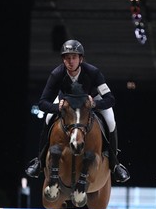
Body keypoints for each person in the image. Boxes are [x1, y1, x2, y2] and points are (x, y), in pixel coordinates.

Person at [25, 39, 130, 183]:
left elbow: (110, 99)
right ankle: (39, 161)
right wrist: (57, 107)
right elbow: (42, 102)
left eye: (74, 57)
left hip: (91, 101)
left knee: (111, 121)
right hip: (66, 103)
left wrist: (95, 103)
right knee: (48, 118)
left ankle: (115, 164)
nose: (70, 61)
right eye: (67, 58)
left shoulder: (93, 72)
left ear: (81, 59)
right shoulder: (57, 74)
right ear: (63, 59)